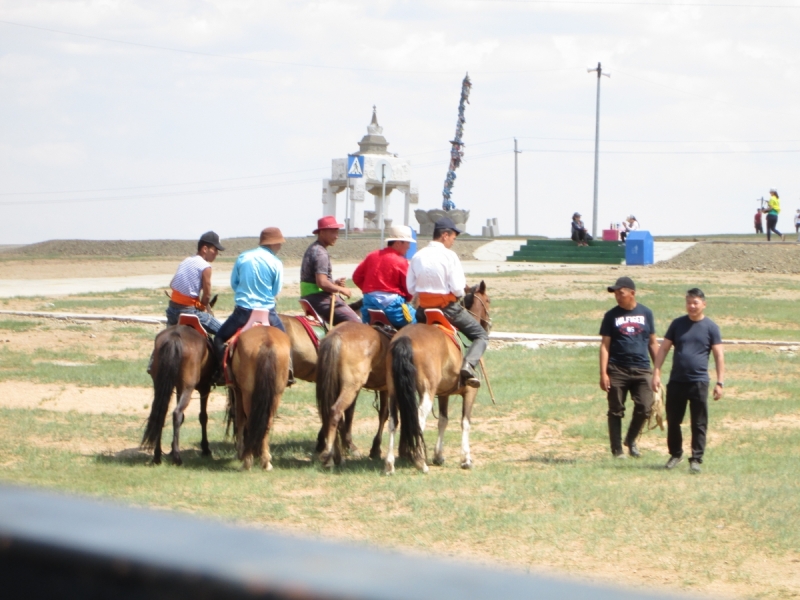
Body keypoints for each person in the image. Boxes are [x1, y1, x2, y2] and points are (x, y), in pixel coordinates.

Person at [407, 216, 488, 386]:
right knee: (481, 335)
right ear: (445, 235)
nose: (453, 242)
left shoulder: (417, 256)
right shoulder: (450, 256)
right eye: (453, 238)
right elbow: (458, 289)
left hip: (423, 311)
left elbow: (411, 289)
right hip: (448, 310)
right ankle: (468, 364)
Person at [652, 288, 724, 474]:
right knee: (673, 420)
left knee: (699, 422)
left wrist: (720, 382)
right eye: (689, 303)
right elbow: (664, 349)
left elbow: (718, 355)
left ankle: (696, 459)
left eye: (695, 303)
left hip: (699, 382)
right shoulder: (677, 324)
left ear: (704, 304)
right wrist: (656, 373)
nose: (692, 306)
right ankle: (676, 454)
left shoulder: (711, 327)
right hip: (677, 381)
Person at [213, 227, 293, 382]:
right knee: (286, 341)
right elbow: (276, 289)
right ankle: (288, 372)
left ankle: (221, 373)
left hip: (243, 312)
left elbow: (234, 283)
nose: (281, 246)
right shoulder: (276, 263)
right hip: (267, 313)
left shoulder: (243, 257)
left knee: (218, 339)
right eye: (279, 243)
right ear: (273, 243)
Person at [599, 276, 659, 458]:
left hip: (642, 369)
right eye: (616, 293)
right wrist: (603, 373)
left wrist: (657, 370)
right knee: (616, 409)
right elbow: (605, 345)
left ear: (632, 293)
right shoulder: (611, 316)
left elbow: (653, 342)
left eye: (621, 293)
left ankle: (631, 439)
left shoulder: (646, 313)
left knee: (645, 406)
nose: (618, 296)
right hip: (617, 368)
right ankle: (617, 450)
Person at [352, 225, 416, 329]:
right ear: (398, 243)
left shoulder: (371, 256)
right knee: (419, 321)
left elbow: (356, 277)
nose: (409, 247)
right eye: (408, 243)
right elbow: (409, 288)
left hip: (369, 307)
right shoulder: (401, 262)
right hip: (393, 310)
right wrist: (407, 298)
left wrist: (369, 291)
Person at [300, 216, 361, 325]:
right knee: (357, 323)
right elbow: (322, 283)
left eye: (337, 232)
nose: (337, 236)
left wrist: (333, 283)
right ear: (322, 232)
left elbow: (314, 281)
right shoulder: (321, 253)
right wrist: (341, 289)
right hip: (320, 299)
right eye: (333, 232)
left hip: (309, 297)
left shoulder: (313, 248)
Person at [166, 231, 224, 334]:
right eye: (214, 250)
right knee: (225, 332)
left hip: (171, 311)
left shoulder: (185, 261)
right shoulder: (205, 266)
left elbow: (172, 284)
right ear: (205, 249)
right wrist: (202, 308)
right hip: (189, 312)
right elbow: (207, 296)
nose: (216, 254)